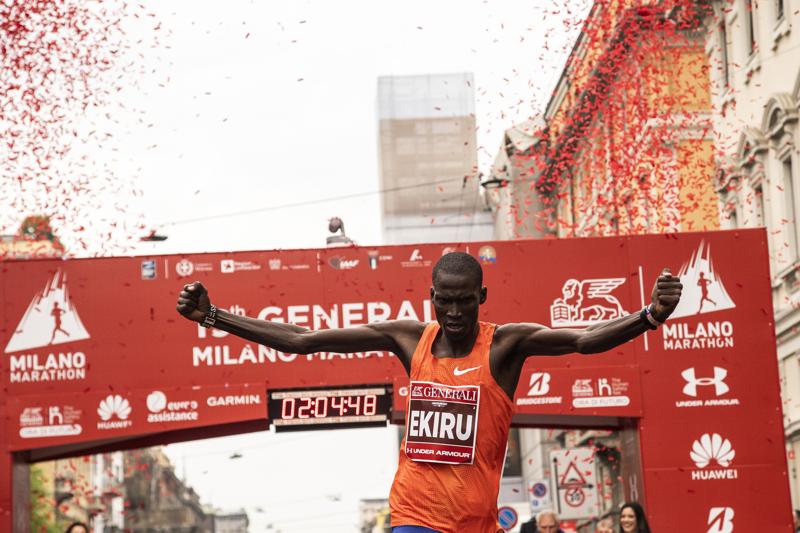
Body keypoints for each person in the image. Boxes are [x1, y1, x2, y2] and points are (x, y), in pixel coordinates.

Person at [176, 252, 682, 533]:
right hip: (416, 516)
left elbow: (584, 340)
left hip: (479, 523)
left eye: (465, 302)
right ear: (431, 298)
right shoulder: (407, 339)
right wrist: (215, 317)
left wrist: (649, 316)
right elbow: (305, 341)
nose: (455, 314)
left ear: (481, 297)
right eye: (444, 302)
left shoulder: (506, 345)